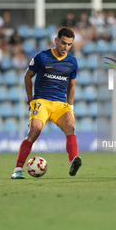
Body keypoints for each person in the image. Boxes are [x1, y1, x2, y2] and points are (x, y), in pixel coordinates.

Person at [11, 28, 82, 179]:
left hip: (60, 104)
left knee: (71, 126)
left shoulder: (72, 62)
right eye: (63, 43)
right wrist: (30, 98)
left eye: (69, 44)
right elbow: (27, 76)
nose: (66, 47)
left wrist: (71, 106)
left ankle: (73, 162)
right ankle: (17, 169)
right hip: (42, 101)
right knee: (35, 130)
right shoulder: (42, 57)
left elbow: (72, 85)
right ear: (56, 41)